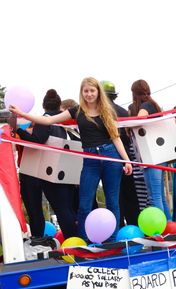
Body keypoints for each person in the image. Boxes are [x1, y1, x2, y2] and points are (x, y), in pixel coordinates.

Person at [9, 77, 133, 242]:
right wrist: (22, 114)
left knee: (112, 202)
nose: (89, 94)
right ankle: (84, 241)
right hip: (90, 160)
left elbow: (116, 137)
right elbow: (48, 120)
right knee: (84, 204)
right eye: (86, 91)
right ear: (82, 92)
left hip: (110, 157)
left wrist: (126, 160)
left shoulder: (107, 110)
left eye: (92, 91)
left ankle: (112, 240)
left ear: (98, 92)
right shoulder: (77, 110)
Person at [13, 89, 77, 242]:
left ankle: (39, 239)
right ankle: (74, 240)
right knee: (64, 209)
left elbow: (37, 141)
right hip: (61, 171)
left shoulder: (45, 120)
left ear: (43, 105)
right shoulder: (63, 123)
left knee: (37, 210)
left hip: (40, 171)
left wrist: (19, 131)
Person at [101, 80, 147, 226]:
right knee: (130, 195)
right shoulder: (123, 111)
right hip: (128, 157)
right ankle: (135, 226)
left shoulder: (100, 113)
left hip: (110, 158)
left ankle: (118, 228)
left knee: (114, 196)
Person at [128, 79, 170, 219]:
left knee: (154, 195)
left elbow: (139, 120)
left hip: (151, 156)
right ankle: (168, 223)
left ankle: (162, 227)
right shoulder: (154, 105)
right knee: (160, 195)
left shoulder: (146, 105)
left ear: (134, 93)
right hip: (159, 154)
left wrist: (127, 124)